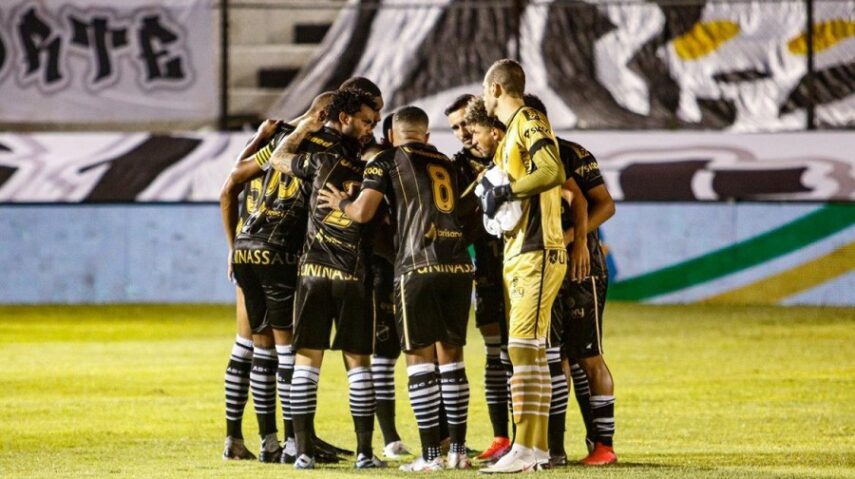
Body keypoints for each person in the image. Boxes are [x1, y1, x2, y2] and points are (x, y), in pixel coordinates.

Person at [317, 106, 475, 471]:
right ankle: (459, 453)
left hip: (417, 266)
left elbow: (362, 212)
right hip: (458, 266)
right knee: (452, 361)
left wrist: (340, 201)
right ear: (427, 136)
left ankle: (431, 457)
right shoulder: (449, 164)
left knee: (419, 361)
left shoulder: (386, 160)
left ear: (391, 136)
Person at [476, 59, 588, 473]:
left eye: (485, 90)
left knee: (523, 350)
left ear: (496, 89)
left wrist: (508, 192)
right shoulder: (513, 131)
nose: (485, 96)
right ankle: (535, 449)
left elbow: (553, 171)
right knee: (532, 353)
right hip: (522, 251)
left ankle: (523, 448)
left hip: (537, 250)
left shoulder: (528, 119)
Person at [266, 87, 385, 470]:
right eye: (366, 121)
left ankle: (302, 453)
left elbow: (278, 158)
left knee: (306, 362)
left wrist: (302, 128)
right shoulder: (373, 169)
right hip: (353, 273)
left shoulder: (320, 161)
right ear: (345, 118)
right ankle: (364, 454)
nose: (370, 128)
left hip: (314, 272)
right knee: (359, 364)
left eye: (374, 123)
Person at [523, 95, 618, 466]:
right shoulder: (520, 155)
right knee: (556, 358)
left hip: (581, 268)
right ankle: (555, 448)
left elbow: (603, 204)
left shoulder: (571, 153)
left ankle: (604, 446)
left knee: (588, 355)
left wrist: (575, 241)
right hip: (547, 269)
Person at [444, 94, 511, 463]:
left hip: (522, 264)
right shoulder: (455, 170)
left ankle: (533, 438)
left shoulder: (511, 152)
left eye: (466, 124)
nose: (463, 133)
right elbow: (456, 222)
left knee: (527, 353)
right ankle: (501, 437)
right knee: (494, 352)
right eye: (455, 128)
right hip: (486, 270)